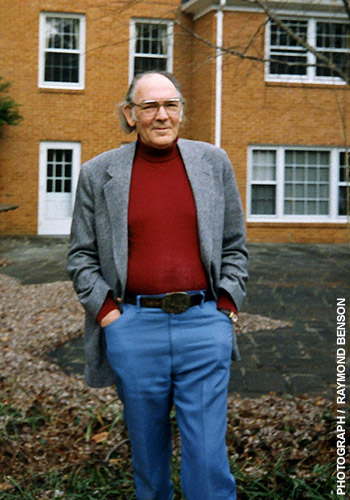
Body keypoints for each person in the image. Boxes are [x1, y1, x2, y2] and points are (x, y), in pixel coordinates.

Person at [67, 71, 248, 500]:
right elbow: (80, 256)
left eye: (171, 105)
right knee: (148, 454)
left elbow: (235, 245)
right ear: (131, 115)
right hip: (134, 328)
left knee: (206, 457)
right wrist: (110, 315)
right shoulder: (99, 174)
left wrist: (226, 305)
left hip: (204, 325)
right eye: (149, 106)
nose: (161, 115)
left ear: (182, 111)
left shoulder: (213, 162)